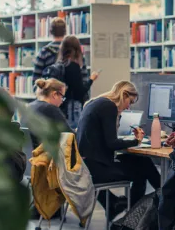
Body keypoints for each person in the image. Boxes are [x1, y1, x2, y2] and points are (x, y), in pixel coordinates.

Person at [76, 81, 160, 219]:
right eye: (130, 102)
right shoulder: (109, 106)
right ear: (124, 94)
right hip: (98, 169)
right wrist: (137, 141)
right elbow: (112, 143)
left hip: (88, 165)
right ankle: (162, 199)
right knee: (144, 167)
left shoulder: (97, 102)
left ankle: (125, 210)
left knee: (141, 161)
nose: (128, 107)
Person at [33, 18, 88, 89]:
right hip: (73, 97)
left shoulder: (44, 52)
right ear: (65, 31)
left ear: (50, 31)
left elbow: (36, 80)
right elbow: (84, 79)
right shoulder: (75, 51)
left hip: (50, 96)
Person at [57, 35, 99, 128]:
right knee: (75, 134)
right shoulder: (73, 67)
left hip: (61, 106)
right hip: (72, 108)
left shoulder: (59, 65)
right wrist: (91, 79)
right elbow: (79, 92)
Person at [27, 78, 71, 148]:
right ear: (54, 94)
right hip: (45, 155)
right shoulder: (50, 109)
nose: (62, 101)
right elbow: (70, 135)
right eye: (62, 97)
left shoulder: (29, 106)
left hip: (30, 155)